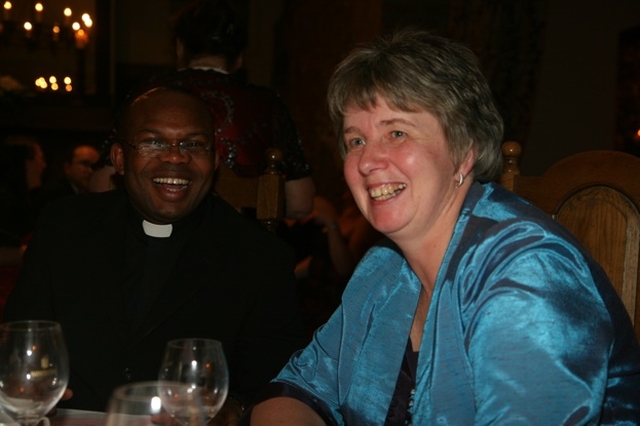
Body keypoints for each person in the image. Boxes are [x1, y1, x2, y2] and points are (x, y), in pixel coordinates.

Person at [247, 29, 640, 424]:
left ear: (464, 150)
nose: (367, 162)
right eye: (355, 141)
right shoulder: (383, 269)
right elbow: (302, 387)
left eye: (396, 132)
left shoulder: (528, 277)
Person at [4, 87, 306, 425]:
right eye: (153, 142)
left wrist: (232, 407)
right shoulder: (63, 226)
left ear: (215, 160)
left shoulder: (261, 257)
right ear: (119, 158)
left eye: (194, 144)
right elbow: (19, 341)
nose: (176, 157)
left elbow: (276, 384)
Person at [143, 0, 315, 219]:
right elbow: (300, 203)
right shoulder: (267, 105)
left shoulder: (147, 98)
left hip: (158, 246)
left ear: (179, 48)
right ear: (240, 58)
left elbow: (103, 185)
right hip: (243, 249)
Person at [35, 143, 100, 208]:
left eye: (95, 166)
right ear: (67, 167)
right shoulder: (55, 194)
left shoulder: (88, 192)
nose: (90, 171)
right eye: (85, 164)